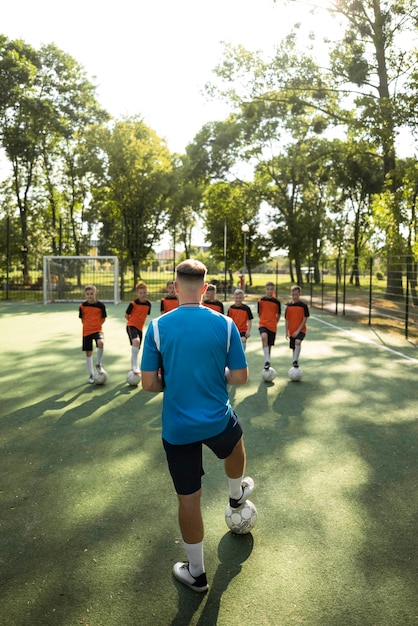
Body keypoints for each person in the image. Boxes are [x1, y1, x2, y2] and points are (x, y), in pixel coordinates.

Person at [141, 259, 254, 593]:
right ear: (205, 289)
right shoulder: (225, 323)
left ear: (175, 287)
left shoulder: (158, 327)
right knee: (236, 443)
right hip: (217, 419)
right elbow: (241, 377)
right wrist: (215, 375)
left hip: (178, 429)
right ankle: (236, 497)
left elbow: (148, 384)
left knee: (189, 501)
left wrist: (172, 382)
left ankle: (197, 573)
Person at [79, 285, 107, 384]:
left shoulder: (101, 306)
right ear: (85, 295)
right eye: (88, 294)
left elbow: (103, 319)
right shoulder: (82, 306)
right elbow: (82, 319)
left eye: (92, 293)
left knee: (101, 343)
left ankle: (98, 364)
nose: (90, 296)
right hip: (86, 331)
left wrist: (96, 326)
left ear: (95, 293)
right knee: (88, 352)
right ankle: (91, 375)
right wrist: (88, 326)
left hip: (97, 330)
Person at [125, 282, 152, 374]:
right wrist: (132, 321)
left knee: (137, 347)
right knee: (136, 341)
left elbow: (145, 315)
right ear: (137, 293)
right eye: (141, 293)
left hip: (140, 328)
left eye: (144, 292)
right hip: (131, 325)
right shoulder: (133, 304)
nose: (143, 294)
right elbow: (126, 315)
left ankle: (133, 363)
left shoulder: (148, 304)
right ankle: (135, 366)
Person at [285, 285, 310, 368]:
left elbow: (305, 319)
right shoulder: (288, 306)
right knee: (294, 348)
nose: (294, 296)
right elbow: (287, 319)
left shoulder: (303, 306)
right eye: (293, 295)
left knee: (298, 342)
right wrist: (286, 332)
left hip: (301, 330)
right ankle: (295, 362)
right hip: (291, 330)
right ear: (291, 294)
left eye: (296, 294)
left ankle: (295, 361)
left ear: (300, 294)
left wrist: (298, 330)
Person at [258, 281, 281, 369]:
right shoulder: (261, 300)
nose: (269, 291)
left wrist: (275, 322)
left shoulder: (277, 302)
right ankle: (267, 360)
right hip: (263, 324)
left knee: (269, 344)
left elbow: (278, 315)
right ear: (265, 289)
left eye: (271, 289)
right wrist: (264, 320)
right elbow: (259, 313)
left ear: (273, 290)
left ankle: (267, 361)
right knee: (264, 337)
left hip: (272, 326)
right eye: (268, 289)